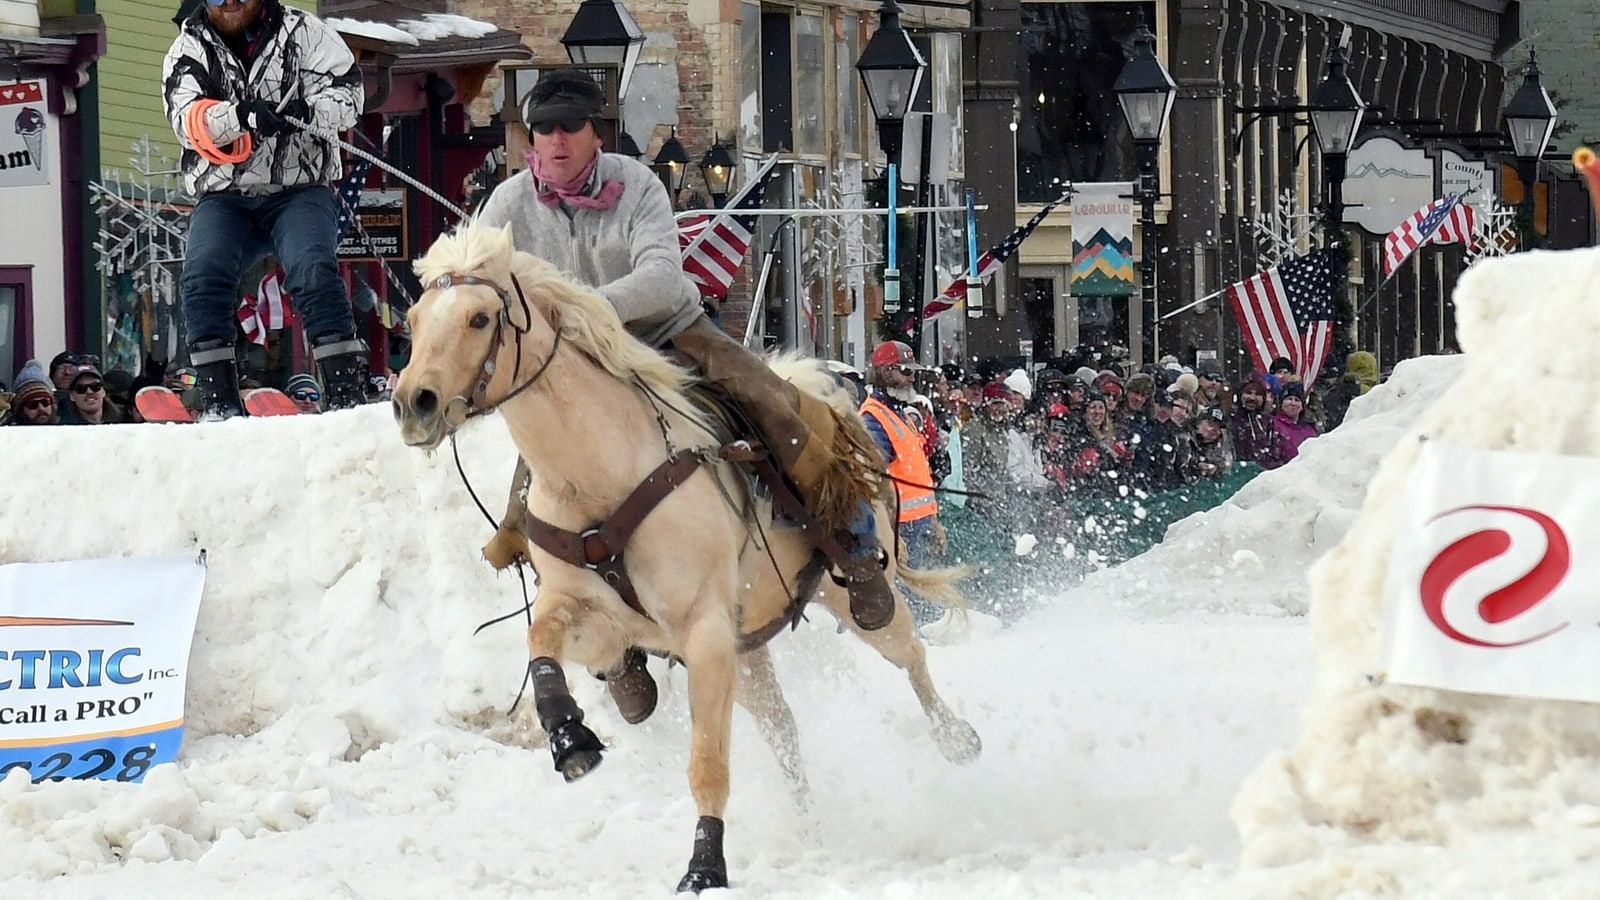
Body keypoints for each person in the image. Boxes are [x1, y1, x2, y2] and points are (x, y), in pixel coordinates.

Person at [475, 68, 894, 722]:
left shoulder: (637, 186)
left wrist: (580, 308)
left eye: (569, 127)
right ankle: (616, 653)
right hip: (575, 365)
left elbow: (663, 278)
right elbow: (483, 284)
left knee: (767, 399)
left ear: (595, 133)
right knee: (539, 483)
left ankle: (852, 539)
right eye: (544, 129)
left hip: (665, 333)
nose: (555, 140)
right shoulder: (505, 205)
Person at [162, 0, 368, 418]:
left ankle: (345, 392)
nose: (231, 1)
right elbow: (186, 119)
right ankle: (218, 401)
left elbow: (349, 95)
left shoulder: (306, 33)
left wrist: (308, 112)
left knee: (312, 269)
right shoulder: (186, 50)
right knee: (203, 275)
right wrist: (242, 116)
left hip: (299, 188)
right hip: (225, 194)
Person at [58, 364, 124, 425]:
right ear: (72, 396)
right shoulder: (64, 428)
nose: (89, 392)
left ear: (103, 391)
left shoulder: (124, 422)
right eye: (81, 388)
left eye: (95, 386)